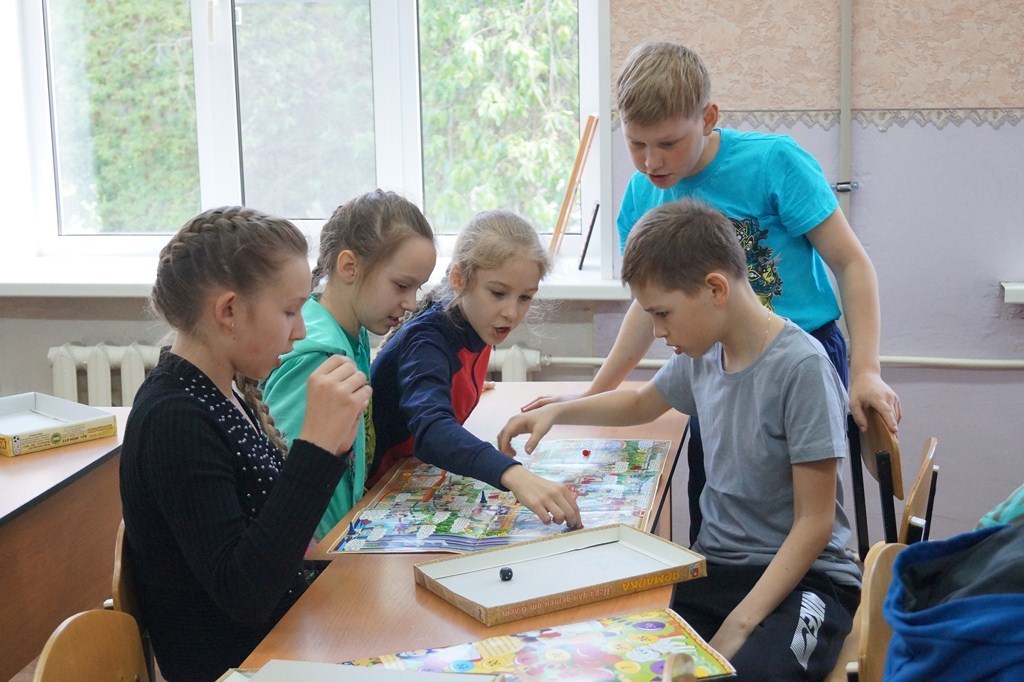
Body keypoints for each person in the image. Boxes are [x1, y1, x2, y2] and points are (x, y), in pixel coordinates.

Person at [523, 41, 901, 543]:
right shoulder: (642, 194)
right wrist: (595, 393)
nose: (651, 161)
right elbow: (647, 305)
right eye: (636, 144)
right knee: (720, 511)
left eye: (668, 143)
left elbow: (851, 264)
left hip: (801, 357)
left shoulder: (774, 163)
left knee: (795, 517)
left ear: (707, 117)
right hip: (714, 364)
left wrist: (866, 368)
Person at [499, 199, 861, 680]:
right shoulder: (704, 354)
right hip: (717, 571)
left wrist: (740, 624)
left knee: (750, 672)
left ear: (715, 289)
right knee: (608, 654)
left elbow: (814, 524)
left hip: (807, 580)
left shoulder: (802, 368)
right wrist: (560, 410)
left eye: (663, 313)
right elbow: (640, 403)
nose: (657, 331)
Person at [120, 207, 372, 681]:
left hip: (283, 637)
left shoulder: (224, 390)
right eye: (290, 311)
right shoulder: (174, 419)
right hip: (241, 665)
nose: (301, 330)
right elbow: (245, 593)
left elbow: (273, 534)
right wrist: (316, 449)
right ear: (229, 311)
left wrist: (332, 447)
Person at [371, 209, 581, 528]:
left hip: (411, 480)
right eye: (498, 293)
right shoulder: (426, 340)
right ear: (459, 279)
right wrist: (514, 474)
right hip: (377, 492)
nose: (511, 312)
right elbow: (432, 432)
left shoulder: (477, 324)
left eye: (525, 297)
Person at [262, 189, 436, 542]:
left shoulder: (350, 336)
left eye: (417, 289)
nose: (411, 302)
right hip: (315, 551)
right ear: (349, 267)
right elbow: (285, 480)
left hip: (341, 536)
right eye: (401, 285)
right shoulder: (316, 356)